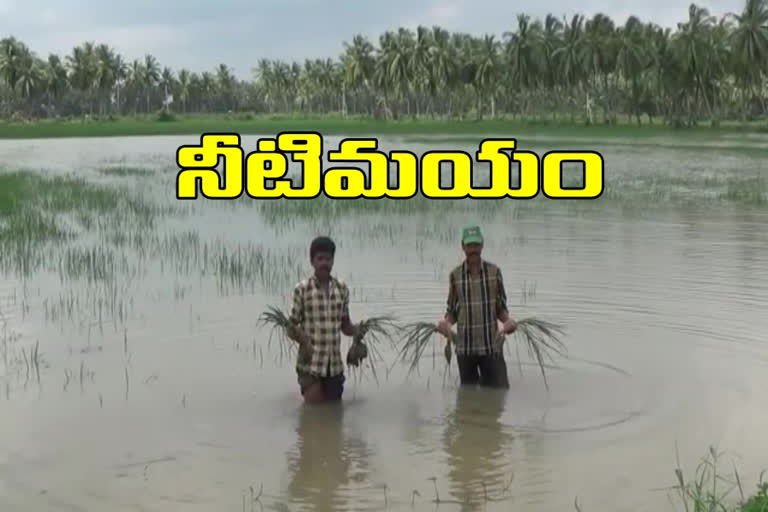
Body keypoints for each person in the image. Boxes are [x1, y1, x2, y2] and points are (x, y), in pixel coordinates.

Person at [436, 225, 517, 388]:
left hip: (491, 347)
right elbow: (452, 310)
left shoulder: (494, 272)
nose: (473, 250)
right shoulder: (455, 275)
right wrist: (446, 324)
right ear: (463, 246)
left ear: (482, 245)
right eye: (469, 245)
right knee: (468, 396)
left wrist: (508, 322)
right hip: (465, 350)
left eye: (476, 245)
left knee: (499, 393)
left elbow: (500, 308)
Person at [286, 236, 363, 404]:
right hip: (310, 366)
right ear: (312, 261)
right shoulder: (302, 290)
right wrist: (303, 340)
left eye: (328, 259)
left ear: (333, 261)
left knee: (333, 414)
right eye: (320, 259)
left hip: (334, 366)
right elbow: (291, 327)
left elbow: (345, 326)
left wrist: (358, 330)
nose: (324, 263)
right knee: (314, 413)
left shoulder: (342, 289)